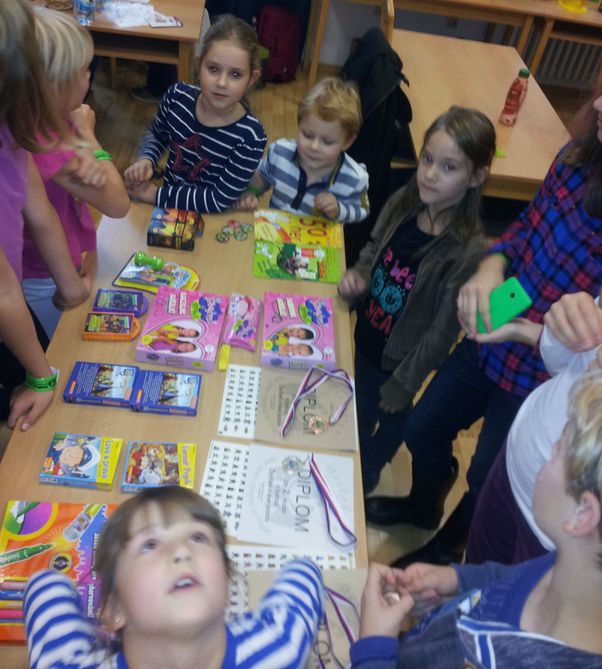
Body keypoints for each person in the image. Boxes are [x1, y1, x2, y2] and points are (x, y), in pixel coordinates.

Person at [367, 87, 602, 560]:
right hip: (497, 332)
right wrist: (492, 266)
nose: (596, 105)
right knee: (423, 426)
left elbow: (586, 353)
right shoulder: (577, 157)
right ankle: (425, 504)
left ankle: (448, 547)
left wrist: (525, 331)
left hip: (541, 374)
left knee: (486, 476)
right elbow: (526, 227)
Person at [351, 370, 602, 668]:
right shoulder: (561, 564)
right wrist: (457, 582)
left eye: (557, 450)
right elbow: (510, 580)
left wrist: (374, 648)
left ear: (582, 513)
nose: (548, 452)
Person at [339, 106, 495, 497]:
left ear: (476, 177)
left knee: (394, 418)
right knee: (362, 407)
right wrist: (359, 274)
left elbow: (442, 333)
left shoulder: (466, 249)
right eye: (427, 159)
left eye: (448, 167)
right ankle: (356, 454)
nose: (429, 174)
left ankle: (368, 470)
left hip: (400, 362)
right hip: (368, 336)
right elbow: (374, 247)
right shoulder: (405, 201)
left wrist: (405, 382)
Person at [24, 486, 325, 669]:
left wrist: (55, 583)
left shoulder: (281, 646)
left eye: (198, 537)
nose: (182, 551)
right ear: (115, 608)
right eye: (150, 544)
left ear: (227, 584)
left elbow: (45, 586)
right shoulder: (280, 644)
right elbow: (305, 573)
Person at [0, 0, 91, 430]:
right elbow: (2, 290)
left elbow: (41, 215)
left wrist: (72, 290)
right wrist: (38, 376)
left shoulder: (13, 130)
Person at [465, 290, 602, 564]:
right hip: (516, 462)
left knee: (510, 590)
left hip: (560, 534)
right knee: (474, 572)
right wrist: (560, 329)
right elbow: (561, 366)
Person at [22, 7, 130, 339]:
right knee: (63, 344)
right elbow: (118, 204)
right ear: (56, 85)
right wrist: (88, 136)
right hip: (46, 277)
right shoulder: (48, 146)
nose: (89, 77)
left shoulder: (48, 118)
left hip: (67, 257)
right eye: (85, 70)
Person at [124, 14, 267, 214]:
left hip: (213, 219)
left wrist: (155, 195)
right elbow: (157, 134)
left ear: (251, 79)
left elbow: (218, 200)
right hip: (169, 210)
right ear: (199, 65)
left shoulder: (251, 136)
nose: (222, 83)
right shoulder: (176, 97)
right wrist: (146, 159)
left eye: (235, 74)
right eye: (213, 69)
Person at [237, 77, 369, 223]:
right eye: (307, 135)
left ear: (347, 141)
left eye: (327, 142)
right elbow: (263, 176)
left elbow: (362, 210)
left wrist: (339, 209)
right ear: (299, 124)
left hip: (319, 236)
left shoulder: (355, 178)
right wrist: (252, 192)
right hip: (276, 231)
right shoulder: (279, 153)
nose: (314, 147)